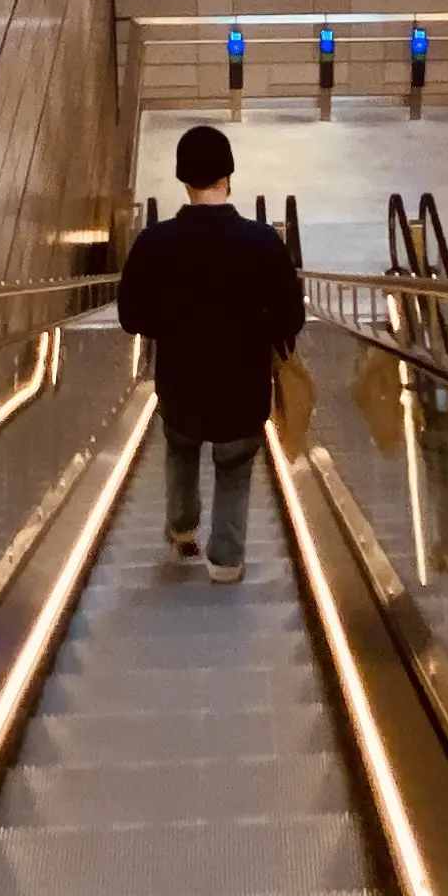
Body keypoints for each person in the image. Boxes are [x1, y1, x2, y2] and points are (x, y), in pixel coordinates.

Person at [115, 123, 304, 583]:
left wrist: (174, 324)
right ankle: (226, 559)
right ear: (228, 177)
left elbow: (131, 318)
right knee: (234, 466)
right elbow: (291, 319)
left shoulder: (153, 243)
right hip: (242, 390)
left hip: (180, 386)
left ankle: (182, 532)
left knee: (181, 451)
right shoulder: (263, 242)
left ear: (184, 180)